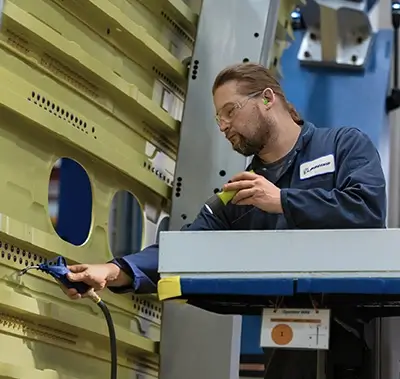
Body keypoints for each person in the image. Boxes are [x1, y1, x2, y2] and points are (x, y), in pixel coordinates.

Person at [63, 63, 386, 379]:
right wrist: (113, 270)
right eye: (218, 117)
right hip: (290, 342)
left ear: (267, 99)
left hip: (365, 330)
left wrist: (282, 201)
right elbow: (187, 249)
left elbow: (366, 209)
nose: (222, 125)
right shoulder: (240, 194)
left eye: (230, 111)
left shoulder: (343, 145)